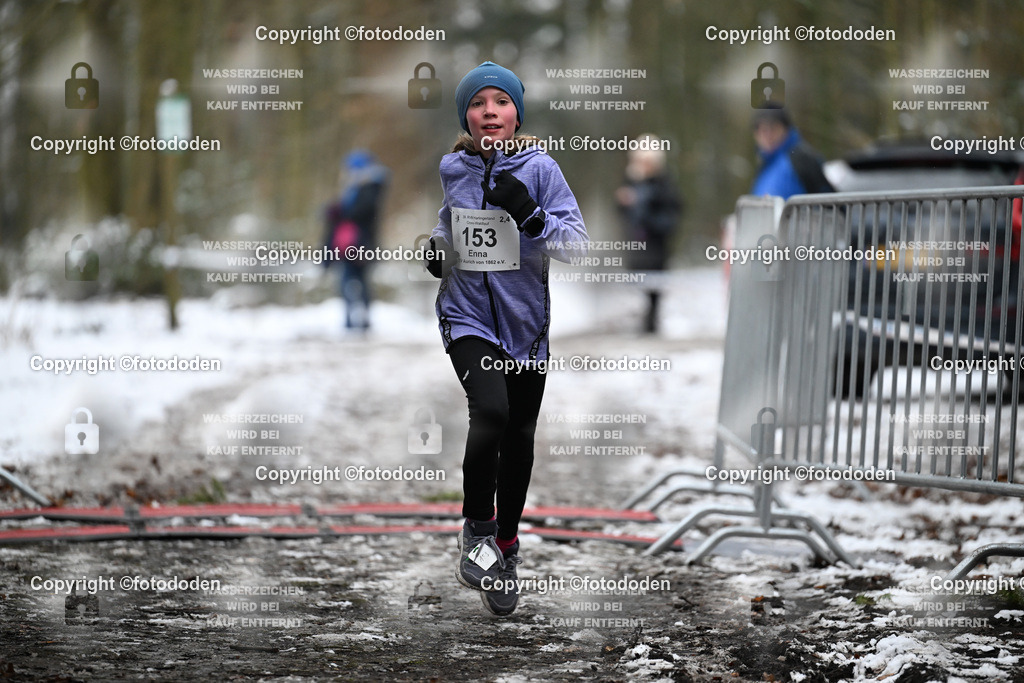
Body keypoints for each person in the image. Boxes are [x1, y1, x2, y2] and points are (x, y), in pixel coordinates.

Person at [424, 61, 588, 616]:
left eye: (500, 101)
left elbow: (577, 245)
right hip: (466, 316)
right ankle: (477, 531)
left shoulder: (541, 169)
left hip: (526, 330)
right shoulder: (454, 167)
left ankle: (506, 549)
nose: (489, 111)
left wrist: (530, 214)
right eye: (477, 103)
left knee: (518, 436)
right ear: (466, 117)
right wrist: (437, 248)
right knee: (490, 411)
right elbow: (447, 221)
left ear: (517, 114)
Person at [615, 137, 683, 333]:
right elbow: (622, 213)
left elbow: (671, 219)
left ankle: (651, 325)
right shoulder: (630, 183)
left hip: (655, 250)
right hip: (634, 249)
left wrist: (647, 216)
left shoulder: (665, 187)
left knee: (653, 290)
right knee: (635, 289)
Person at [322, 150, 388, 331]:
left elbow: (361, 213)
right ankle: (352, 318)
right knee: (350, 280)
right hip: (350, 244)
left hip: (361, 243)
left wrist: (338, 213)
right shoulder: (354, 189)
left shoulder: (369, 188)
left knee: (356, 280)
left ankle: (360, 318)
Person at [750, 104, 834, 199]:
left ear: (786, 129)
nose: (768, 136)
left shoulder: (801, 158)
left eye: (773, 128)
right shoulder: (763, 165)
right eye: (763, 130)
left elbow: (829, 199)